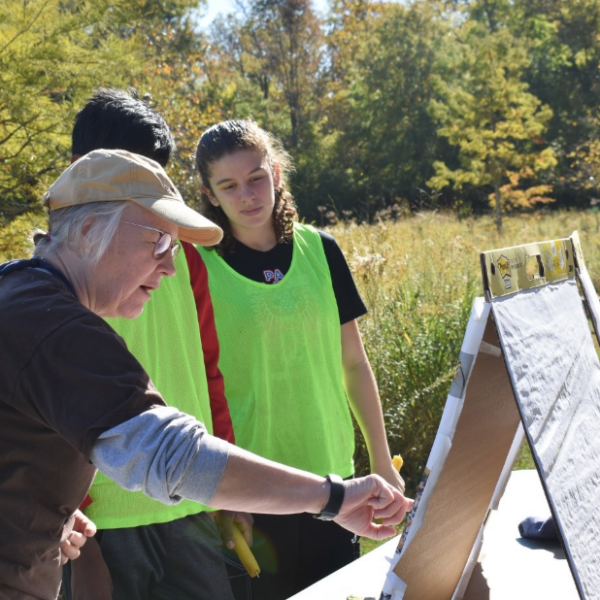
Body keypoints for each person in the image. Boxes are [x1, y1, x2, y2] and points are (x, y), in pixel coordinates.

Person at [0, 149, 413, 600]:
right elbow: (172, 456)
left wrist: (35, 507)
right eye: (158, 241)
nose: (170, 265)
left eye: (175, 247)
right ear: (87, 231)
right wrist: (333, 497)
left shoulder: (22, 298)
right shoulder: (53, 325)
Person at [194, 120, 405, 599]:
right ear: (210, 194)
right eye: (229, 186)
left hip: (333, 477)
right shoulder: (194, 265)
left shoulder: (321, 250)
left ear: (276, 174)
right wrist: (215, 491)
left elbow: (354, 363)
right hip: (249, 485)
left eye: (256, 177)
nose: (247, 194)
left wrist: (380, 459)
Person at [65, 88, 249, 600]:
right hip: (101, 516)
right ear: (83, 170)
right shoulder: (51, 274)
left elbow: (211, 374)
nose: (149, 196)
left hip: (192, 495)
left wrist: (227, 484)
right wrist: (67, 506)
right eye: (133, 180)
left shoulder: (185, 257)